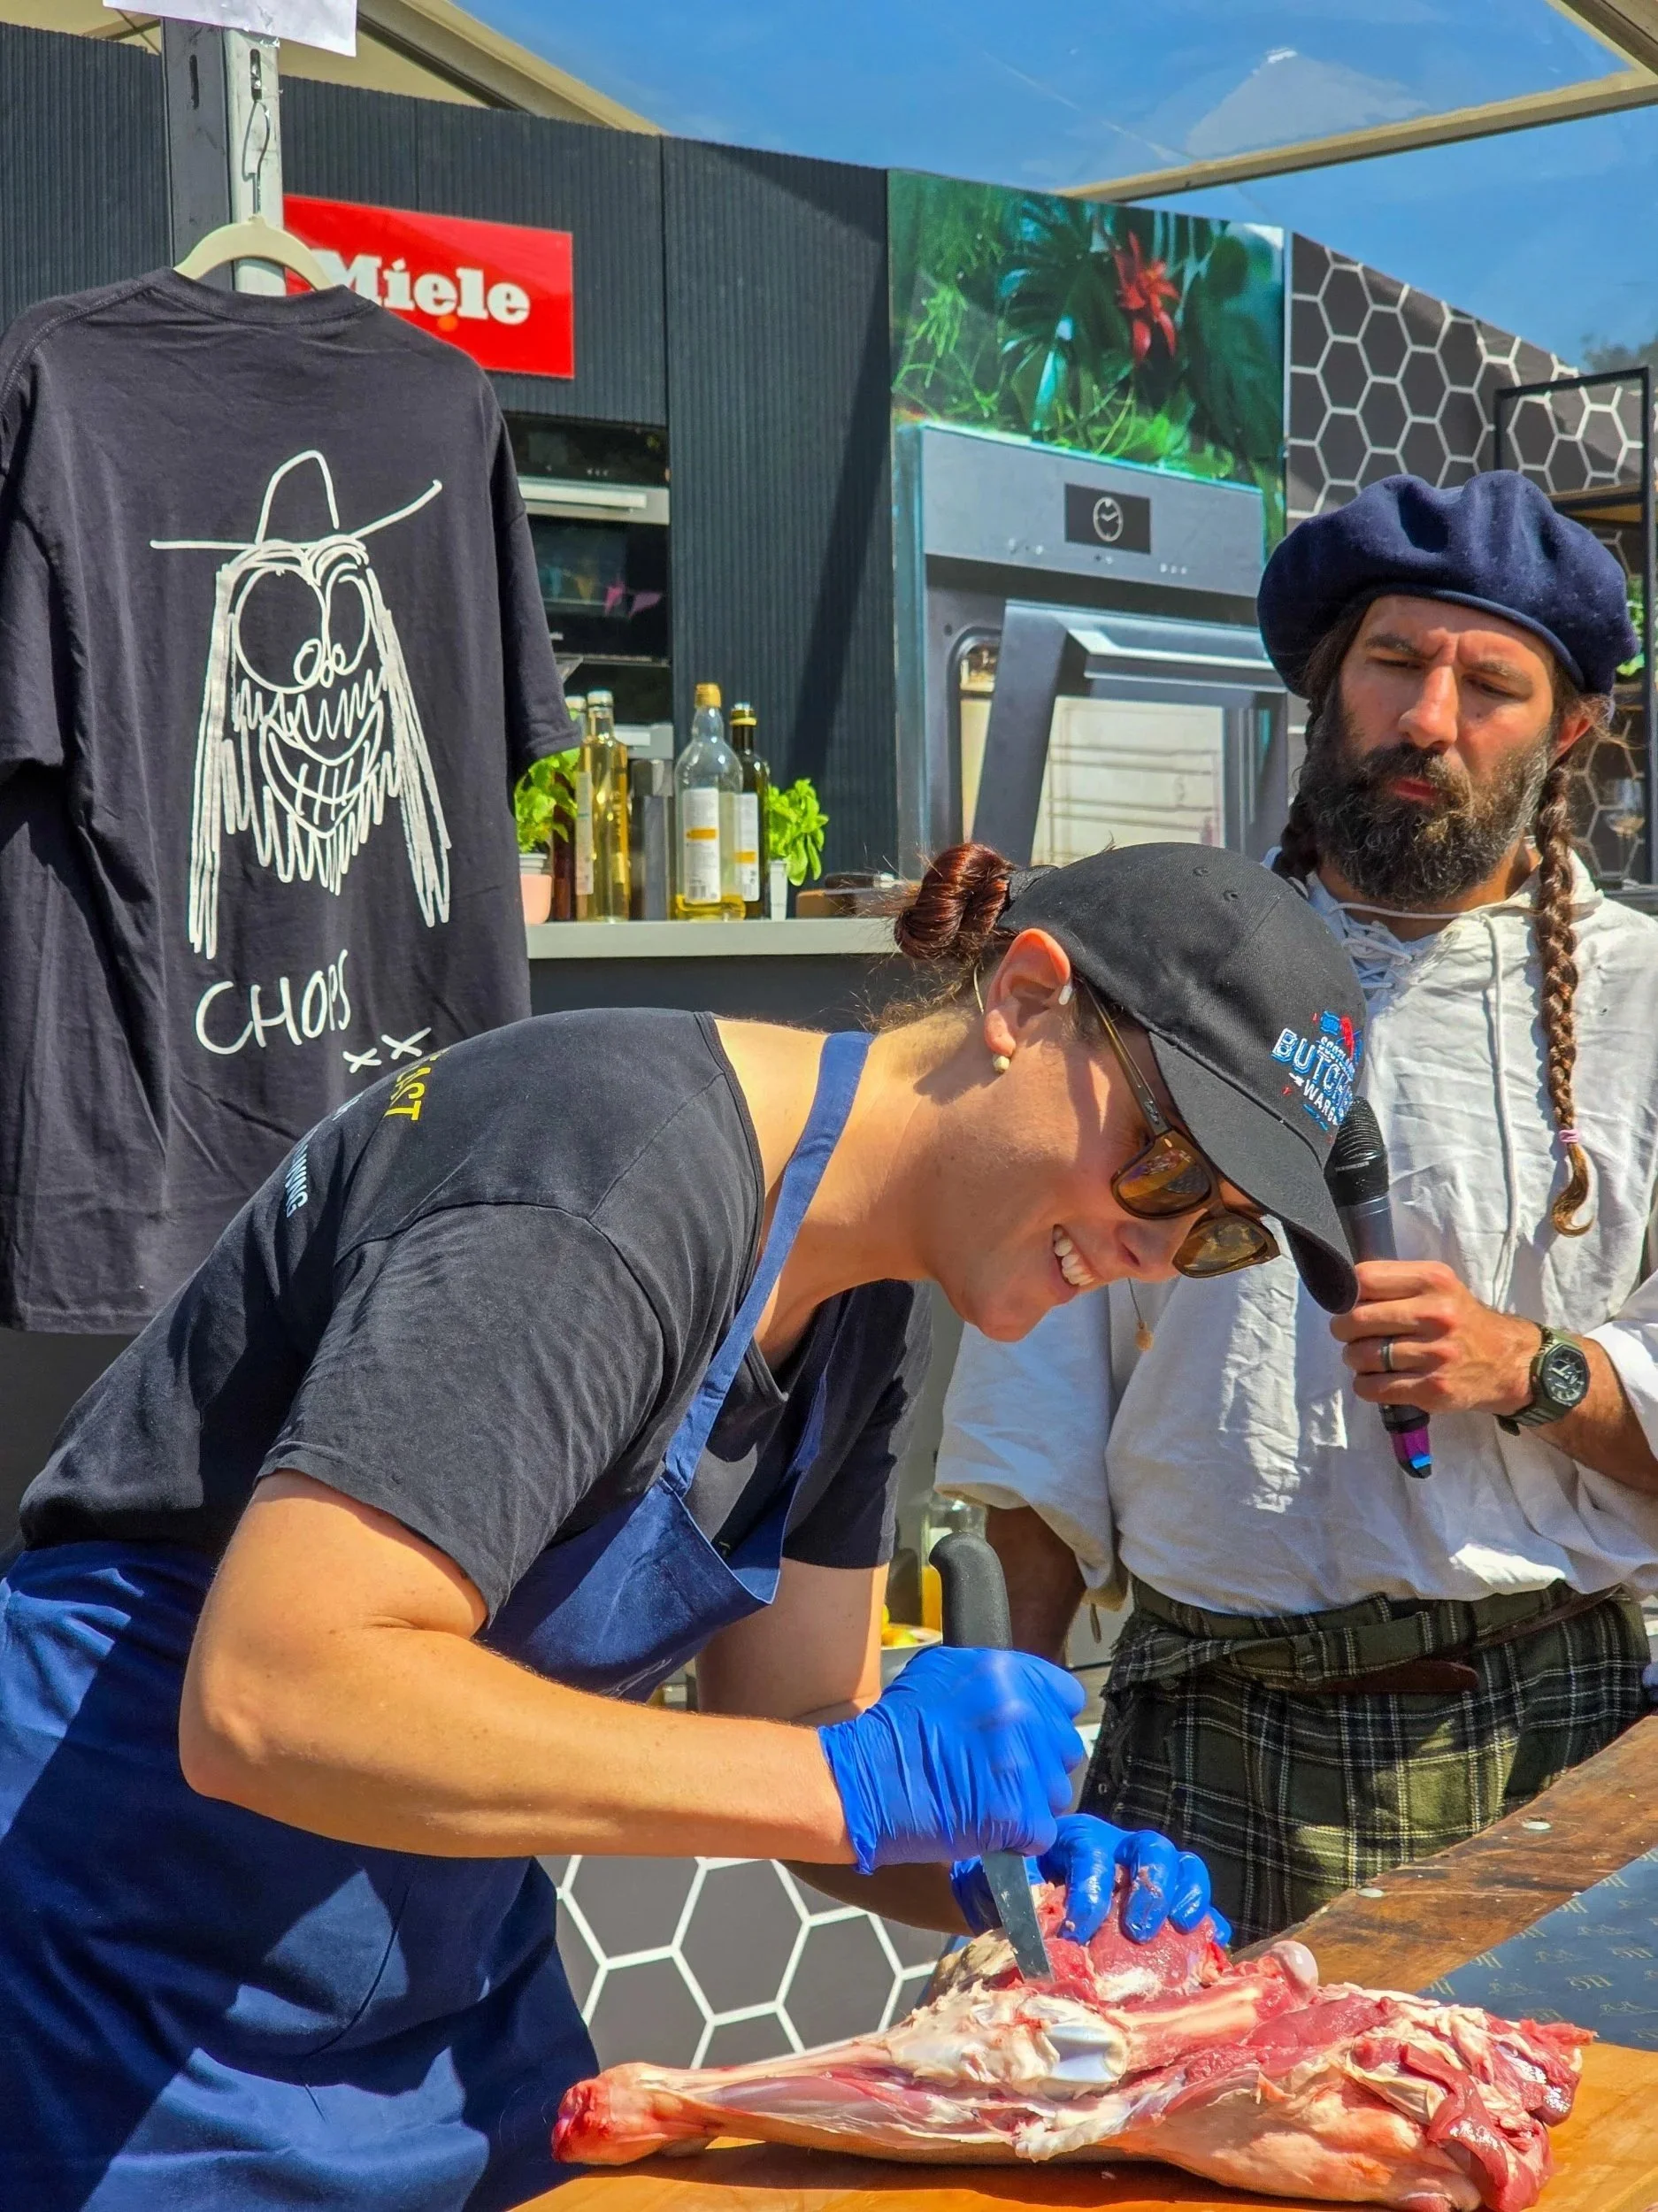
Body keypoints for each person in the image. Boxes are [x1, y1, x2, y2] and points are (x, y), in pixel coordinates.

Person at [0, 839, 1367, 2210]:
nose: (1159, 1247)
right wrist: (866, 1785)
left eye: (1220, 1235)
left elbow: (781, 1730)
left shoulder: (861, 1298)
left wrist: (997, 1877)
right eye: (1166, 1165)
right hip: (123, 1978)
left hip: (442, 1993)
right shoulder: (597, 1173)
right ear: (1022, 1000)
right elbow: (274, 1695)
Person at [937, 469, 1658, 1947]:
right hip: (1198, 1744)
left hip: (1550, 1721)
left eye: (1491, 686)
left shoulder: (1648, 1000)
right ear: (1327, 684)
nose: (1429, 721)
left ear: (1568, 728)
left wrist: (1533, 1369)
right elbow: (1033, 1407)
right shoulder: (1153, 972)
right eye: (1393, 663)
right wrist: (1004, 1783)